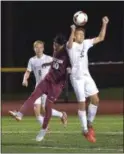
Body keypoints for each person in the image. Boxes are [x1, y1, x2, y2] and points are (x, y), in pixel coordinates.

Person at [9, 34, 71, 141]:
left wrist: (69, 69)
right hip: (43, 83)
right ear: (34, 49)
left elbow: (65, 56)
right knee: (36, 107)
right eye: (36, 47)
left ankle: (58, 117)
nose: (38, 49)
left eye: (40, 47)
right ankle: (21, 115)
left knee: (46, 108)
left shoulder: (53, 57)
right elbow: (28, 72)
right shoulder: (33, 60)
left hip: (54, 86)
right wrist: (25, 79)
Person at [66, 16, 109, 143]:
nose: (81, 36)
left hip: (86, 75)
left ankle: (89, 124)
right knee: (81, 103)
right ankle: (85, 130)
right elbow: (69, 43)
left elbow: (101, 38)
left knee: (95, 99)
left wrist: (104, 24)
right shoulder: (71, 45)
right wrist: (72, 31)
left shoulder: (86, 43)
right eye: (79, 34)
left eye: (82, 34)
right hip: (76, 77)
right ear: (74, 36)